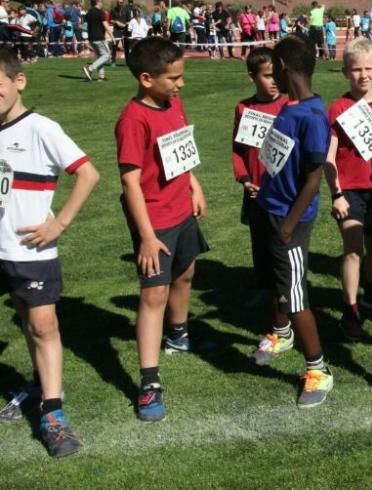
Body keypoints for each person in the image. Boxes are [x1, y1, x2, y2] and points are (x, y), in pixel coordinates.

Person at [0, 50, 99, 456]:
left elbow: (88, 174)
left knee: (42, 326)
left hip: (30, 251)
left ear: (18, 81)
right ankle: (37, 383)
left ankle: (53, 415)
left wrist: (59, 224)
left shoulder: (41, 128)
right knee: (27, 322)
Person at [116, 37, 209, 422]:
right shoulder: (132, 119)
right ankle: (149, 381)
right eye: (173, 78)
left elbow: (180, 149)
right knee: (153, 296)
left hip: (182, 210)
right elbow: (130, 183)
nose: (180, 84)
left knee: (186, 273)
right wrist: (148, 236)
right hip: (154, 221)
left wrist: (194, 186)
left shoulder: (174, 105)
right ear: (145, 78)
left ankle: (178, 333)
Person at [249, 36, 335, 407]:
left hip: (290, 220)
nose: (271, 78)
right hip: (271, 209)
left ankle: (318, 370)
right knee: (279, 283)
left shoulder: (313, 116)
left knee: (295, 293)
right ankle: (282, 333)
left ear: (283, 66)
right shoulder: (290, 106)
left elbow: (314, 179)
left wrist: (288, 225)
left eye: (273, 70)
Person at [324, 38, 372, 341]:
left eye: (368, 68)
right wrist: (336, 193)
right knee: (353, 251)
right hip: (349, 192)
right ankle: (350, 312)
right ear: (346, 72)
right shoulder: (338, 108)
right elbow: (329, 156)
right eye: (356, 69)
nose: (363, 75)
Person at [231, 47, 288, 312]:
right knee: (260, 241)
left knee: (284, 242)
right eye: (267, 75)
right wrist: (244, 179)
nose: (274, 80)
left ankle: (287, 289)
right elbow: (238, 149)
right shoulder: (243, 108)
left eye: (277, 73)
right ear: (252, 77)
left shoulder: (289, 105)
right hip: (254, 190)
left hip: (284, 190)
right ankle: (264, 288)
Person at [82, 0, 112, 83]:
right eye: (101, 1)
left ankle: (101, 77)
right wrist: (112, 36)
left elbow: (86, 25)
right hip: (99, 37)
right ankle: (90, 68)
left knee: (100, 56)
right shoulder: (100, 12)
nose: (102, 3)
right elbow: (105, 25)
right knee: (107, 55)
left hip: (91, 38)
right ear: (97, 2)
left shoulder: (88, 13)